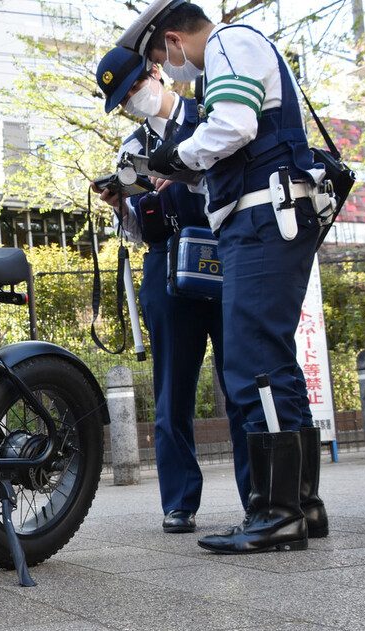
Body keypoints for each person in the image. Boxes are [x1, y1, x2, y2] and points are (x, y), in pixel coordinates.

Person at [117, 0, 329, 554]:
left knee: (250, 362)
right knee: (274, 359)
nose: (171, 69)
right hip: (268, 214)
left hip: (261, 217)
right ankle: (302, 506)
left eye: (164, 56)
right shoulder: (235, 50)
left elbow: (234, 124)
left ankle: (274, 511)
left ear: (173, 43)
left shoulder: (228, 44)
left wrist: (173, 160)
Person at [94, 47, 249, 535]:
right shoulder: (131, 146)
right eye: (122, 100)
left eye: (135, 88)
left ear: (157, 72)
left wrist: (182, 172)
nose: (132, 102)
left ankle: (260, 498)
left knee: (242, 385)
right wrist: (123, 206)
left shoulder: (211, 115)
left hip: (225, 256)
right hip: (166, 267)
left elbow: (236, 183)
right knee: (171, 395)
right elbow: (143, 229)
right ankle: (179, 501)